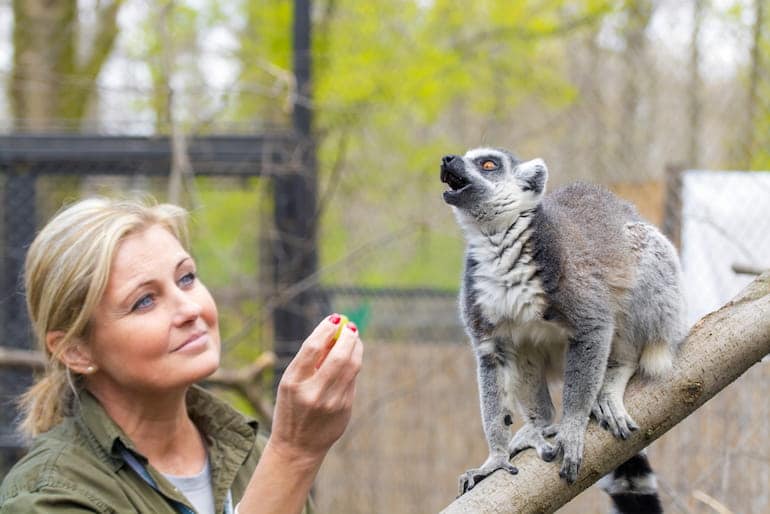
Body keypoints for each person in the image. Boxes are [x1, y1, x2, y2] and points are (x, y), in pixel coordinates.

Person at [0, 197, 363, 514]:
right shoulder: (48, 496)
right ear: (75, 351)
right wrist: (293, 455)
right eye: (145, 301)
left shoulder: (249, 455)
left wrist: (283, 458)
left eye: (186, 278)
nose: (188, 307)